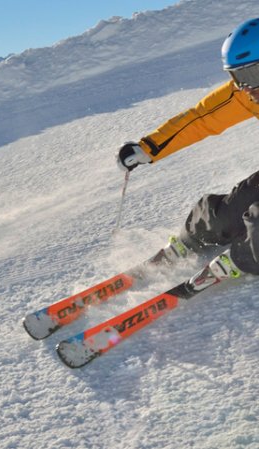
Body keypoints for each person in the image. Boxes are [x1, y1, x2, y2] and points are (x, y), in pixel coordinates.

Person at [116, 17, 259, 284]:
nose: (246, 87)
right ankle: (191, 240)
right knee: (225, 215)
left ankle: (245, 256)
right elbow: (201, 118)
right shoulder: (244, 93)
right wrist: (149, 148)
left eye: (251, 75)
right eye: (238, 77)